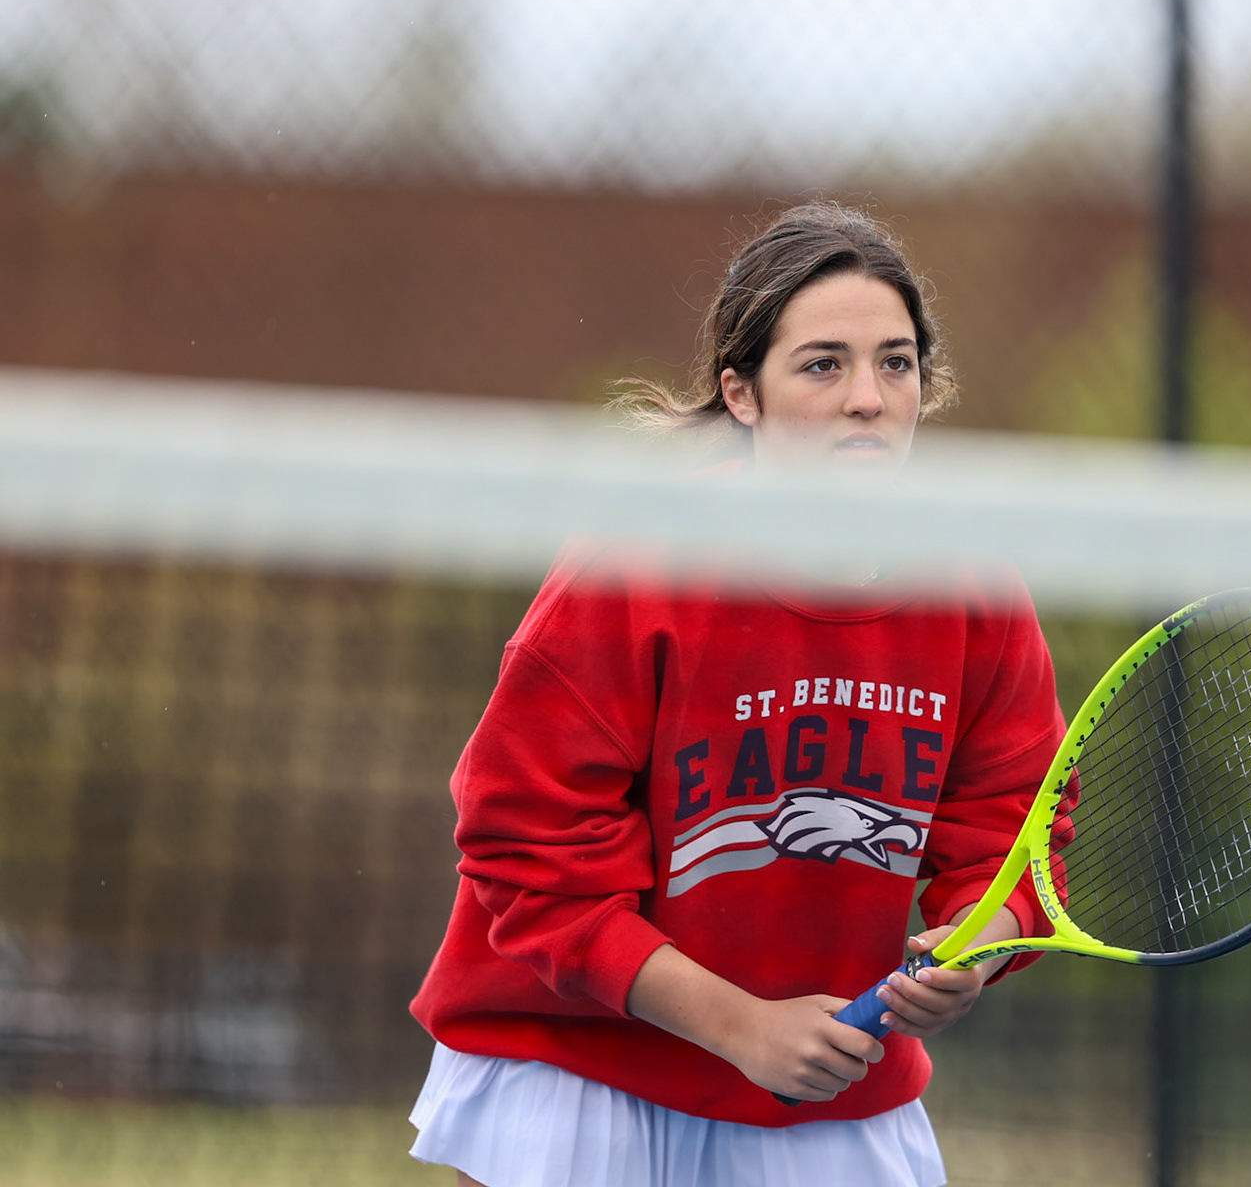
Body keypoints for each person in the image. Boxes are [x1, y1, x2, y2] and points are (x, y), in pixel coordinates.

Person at [407, 202, 1067, 1187]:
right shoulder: (639, 564)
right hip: (582, 1061)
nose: (867, 397)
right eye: (822, 363)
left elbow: (1017, 826)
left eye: (896, 362)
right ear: (740, 392)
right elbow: (526, 846)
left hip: (823, 1079)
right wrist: (740, 1024)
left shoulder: (973, 586)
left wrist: (983, 941)